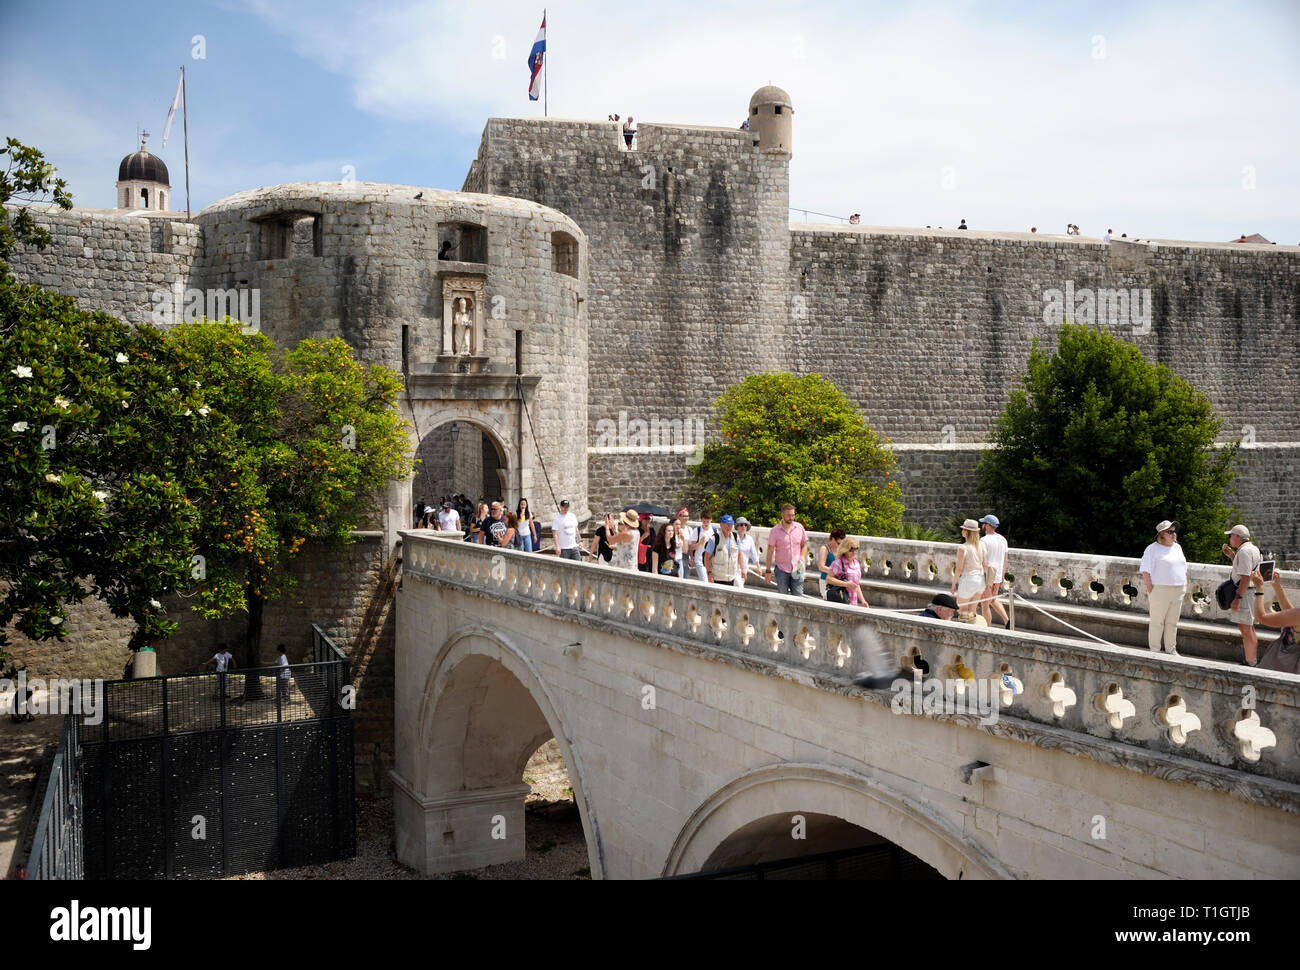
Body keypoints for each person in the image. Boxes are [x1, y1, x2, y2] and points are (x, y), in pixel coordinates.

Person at [1140, 520, 1187, 654]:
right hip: (1160, 589)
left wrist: (1185, 583)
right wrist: (1151, 589)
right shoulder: (1152, 548)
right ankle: (1154, 650)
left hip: (1178, 589)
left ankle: (1171, 649)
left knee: (1173, 623)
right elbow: (1145, 570)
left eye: (1174, 531)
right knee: (1157, 622)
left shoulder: (1178, 547)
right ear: (1162, 534)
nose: (1174, 534)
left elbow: (1183, 567)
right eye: (1170, 532)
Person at [1222, 524, 1262, 664]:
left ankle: (1250, 661)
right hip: (1251, 593)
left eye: (1231, 535)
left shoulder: (1244, 552)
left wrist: (1237, 598)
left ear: (1237, 537)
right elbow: (1246, 570)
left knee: (1245, 630)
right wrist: (1233, 556)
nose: (1230, 538)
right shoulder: (1253, 549)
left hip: (1244, 594)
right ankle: (1252, 659)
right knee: (1250, 628)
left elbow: (1245, 577)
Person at [1249, 569, 1299, 672]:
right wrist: (1277, 587)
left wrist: (1259, 588)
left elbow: (1261, 617)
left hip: (1287, 667)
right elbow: (1290, 615)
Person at [766, 504, 809, 596]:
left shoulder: (799, 528)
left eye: (793, 515)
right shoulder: (775, 531)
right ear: (782, 515)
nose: (791, 518)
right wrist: (768, 571)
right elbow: (770, 551)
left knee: (798, 597)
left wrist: (802, 558)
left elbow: (804, 545)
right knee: (783, 598)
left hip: (797, 568)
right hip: (781, 569)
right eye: (789, 515)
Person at [978, 514, 1010, 628]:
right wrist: (1002, 575)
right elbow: (1005, 559)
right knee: (992, 599)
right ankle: (1007, 621)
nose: (982, 525)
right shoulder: (1003, 539)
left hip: (987, 576)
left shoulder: (983, 540)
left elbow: (982, 560)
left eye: (984, 523)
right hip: (997, 575)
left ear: (987, 525)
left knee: (985, 604)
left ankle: (988, 629)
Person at [952, 519, 986, 619]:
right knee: (972, 612)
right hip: (980, 580)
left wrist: (954, 584)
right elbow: (985, 564)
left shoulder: (963, 548)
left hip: (968, 580)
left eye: (963, 529)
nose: (962, 531)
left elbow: (959, 569)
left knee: (962, 612)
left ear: (966, 531)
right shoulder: (982, 545)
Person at [826, 538, 869, 607]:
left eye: (856, 549)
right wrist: (845, 584)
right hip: (841, 602)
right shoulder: (838, 563)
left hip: (854, 603)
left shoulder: (857, 563)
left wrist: (863, 601)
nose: (854, 552)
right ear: (845, 549)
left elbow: (856, 585)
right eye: (851, 549)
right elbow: (828, 579)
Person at [707, 515, 746, 587]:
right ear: (721, 525)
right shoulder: (715, 538)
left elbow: (739, 554)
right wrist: (709, 574)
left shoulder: (736, 537)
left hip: (731, 578)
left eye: (731, 525)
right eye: (727, 524)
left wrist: (743, 569)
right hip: (717, 578)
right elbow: (707, 558)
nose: (729, 527)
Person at [688, 510, 718, 582]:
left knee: (711, 582)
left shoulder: (715, 531)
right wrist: (700, 543)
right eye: (704, 521)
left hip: (711, 561)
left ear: (711, 520)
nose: (706, 523)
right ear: (701, 519)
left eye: (708, 521)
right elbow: (691, 547)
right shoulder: (697, 530)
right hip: (699, 560)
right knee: (704, 581)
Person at [817, 529, 846, 599]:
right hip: (826, 581)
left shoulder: (841, 550)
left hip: (838, 582)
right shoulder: (825, 549)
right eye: (838, 543)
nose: (840, 545)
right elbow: (821, 567)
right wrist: (836, 571)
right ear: (832, 539)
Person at [734, 517, 763, 583]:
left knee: (739, 588)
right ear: (737, 527)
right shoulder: (733, 538)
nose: (743, 526)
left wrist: (758, 567)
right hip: (734, 569)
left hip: (744, 569)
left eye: (745, 525)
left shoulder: (749, 539)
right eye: (741, 525)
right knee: (739, 586)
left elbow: (754, 554)